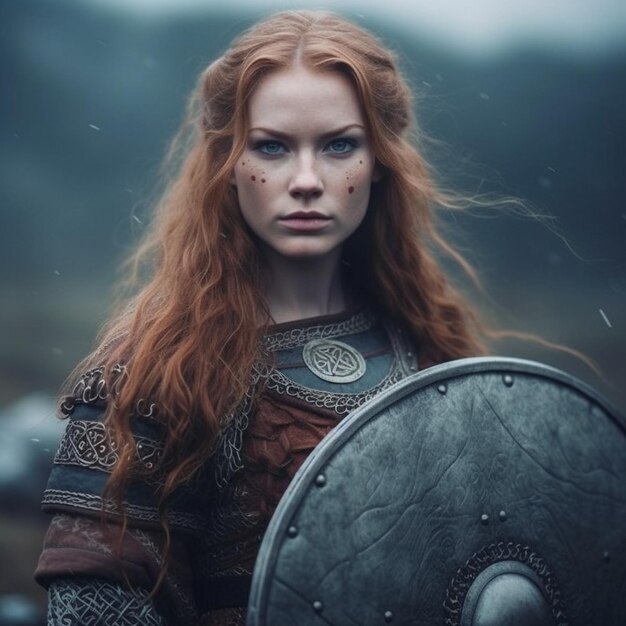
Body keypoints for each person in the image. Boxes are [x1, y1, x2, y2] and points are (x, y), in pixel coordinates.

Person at [35, 10, 492, 625]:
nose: (306, 180)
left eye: (339, 145)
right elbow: (95, 601)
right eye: (272, 147)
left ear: (379, 160)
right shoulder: (151, 373)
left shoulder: (434, 352)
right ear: (228, 158)